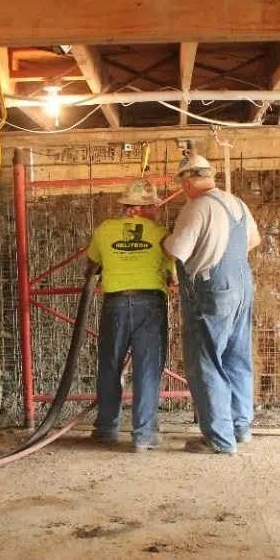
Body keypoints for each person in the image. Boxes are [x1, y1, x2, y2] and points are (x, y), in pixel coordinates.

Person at [163, 154, 260, 455]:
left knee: (206, 362)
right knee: (237, 359)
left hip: (213, 291)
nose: (183, 189)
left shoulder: (197, 207)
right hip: (242, 287)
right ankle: (240, 428)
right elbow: (253, 241)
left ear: (188, 181)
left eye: (182, 184)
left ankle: (219, 439)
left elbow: (176, 251)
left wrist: (163, 240)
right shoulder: (237, 203)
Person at [86, 179, 174, 452]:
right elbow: (172, 273)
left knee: (110, 365)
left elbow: (92, 266)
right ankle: (144, 434)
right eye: (154, 205)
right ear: (147, 207)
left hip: (115, 303)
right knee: (148, 368)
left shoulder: (105, 230)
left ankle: (106, 429)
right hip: (150, 303)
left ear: (125, 206)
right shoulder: (161, 233)